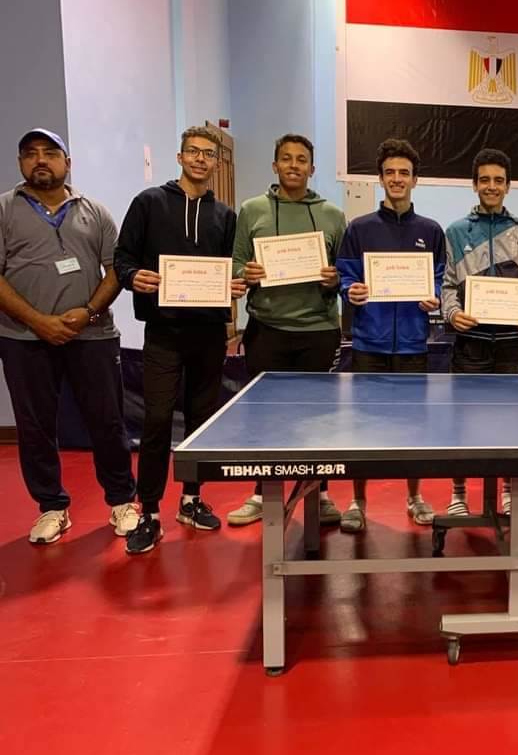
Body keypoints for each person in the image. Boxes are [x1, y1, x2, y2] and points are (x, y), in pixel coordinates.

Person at [113, 126, 247, 554]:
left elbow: (231, 266)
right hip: (163, 333)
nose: (201, 159)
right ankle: (149, 512)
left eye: (208, 153)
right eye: (193, 151)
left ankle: (191, 499)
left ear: (216, 162)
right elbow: (122, 258)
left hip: (208, 333)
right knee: (156, 421)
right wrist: (133, 277)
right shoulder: (149, 203)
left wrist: (236, 283)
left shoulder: (225, 215)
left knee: (200, 421)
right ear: (179, 156)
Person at [0, 127, 137, 544]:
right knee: (35, 426)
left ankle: (122, 501)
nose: (40, 160)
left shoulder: (94, 211)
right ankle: (51, 507)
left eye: (50, 152)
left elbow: (117, 268)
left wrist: (89, 311)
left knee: (107, 421)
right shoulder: (4, 209)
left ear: (67, 163)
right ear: (21, 162)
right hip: (24, 338)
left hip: (93, 336)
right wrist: (37, 321)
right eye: (30, 153)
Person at [226, 134, 347, 526]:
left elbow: (345, 272)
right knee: (266, 418)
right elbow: (236, 263)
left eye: (301, 159)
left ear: (312, 168)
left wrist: (334, 278)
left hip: (319, 330)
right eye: (286, 158)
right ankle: (264, 493)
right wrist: (247, 272)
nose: (294, 165)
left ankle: (319, 494)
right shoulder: (252, 210)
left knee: (319, 418)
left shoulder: (332, 215)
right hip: (267, 329)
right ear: (275, 165)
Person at [335, 138, 446, 531]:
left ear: (415, 180)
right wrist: (350, 290)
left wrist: (434, 296)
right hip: (370, 342)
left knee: (414, 426)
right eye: (390, 173)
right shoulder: (359, 229)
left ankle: (414, 497)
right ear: (380, 179)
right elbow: (346, 275)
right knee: (363, 426)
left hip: (413, 344)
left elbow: (438, 278)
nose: (397, 179)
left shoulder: (431, 231)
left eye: (404, 173)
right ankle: (357, 501)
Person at [440, 148, 518, 516]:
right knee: (462, 422)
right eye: (484, 180)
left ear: (508, 186)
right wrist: (452, 313)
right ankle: (459, 493)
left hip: (510, 345)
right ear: (475, 185)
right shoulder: (456, 231)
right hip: (471, 345)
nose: (491, 186)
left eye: (498, 180)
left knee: (511, 421)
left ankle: (509, 490)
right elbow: (448, 284)